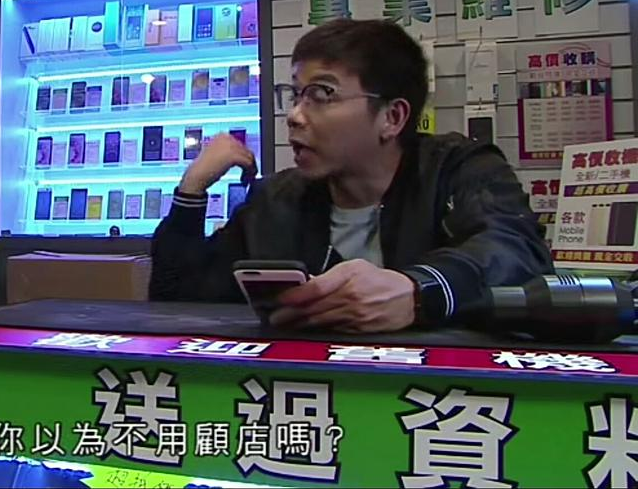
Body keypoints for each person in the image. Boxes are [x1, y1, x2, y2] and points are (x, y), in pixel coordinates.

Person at [150, 19, 553, 332]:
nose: (294, 115)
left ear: (392, 117)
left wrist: (420, 292)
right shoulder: (275, 201)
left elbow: (516, 252)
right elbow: (175, 301)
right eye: (295, 94)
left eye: (321, 95)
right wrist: (191, 191)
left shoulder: (458, 169)